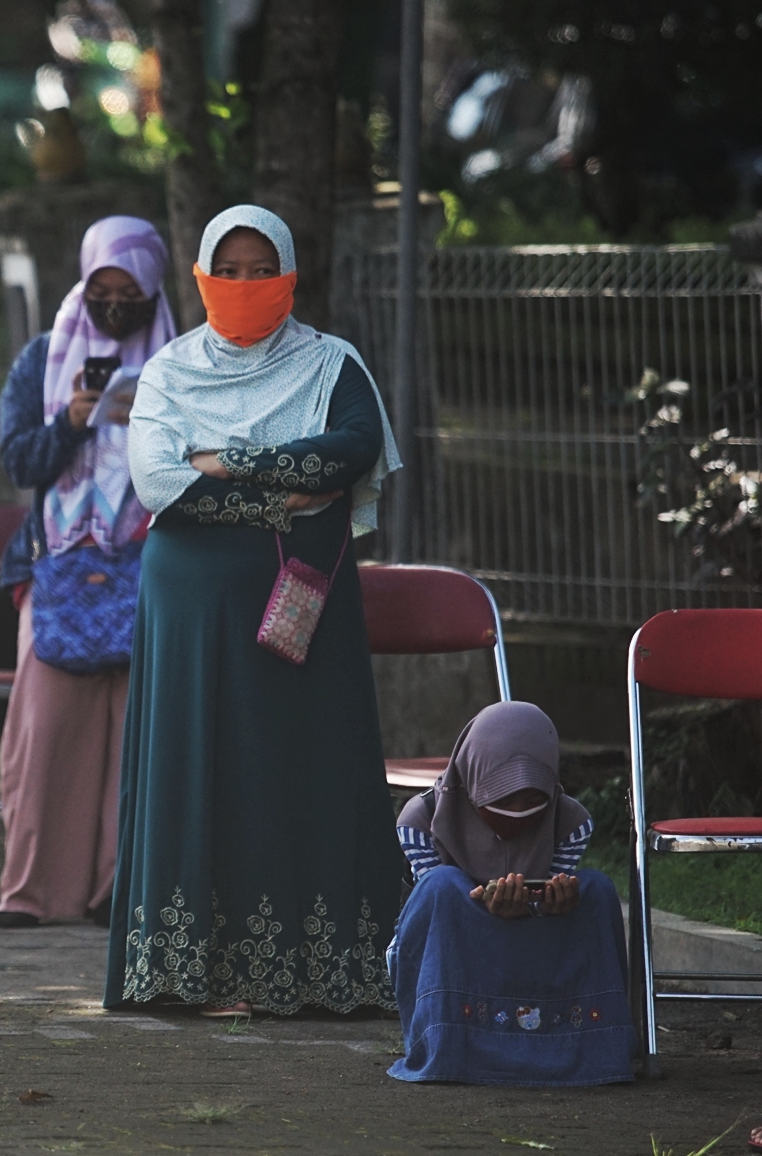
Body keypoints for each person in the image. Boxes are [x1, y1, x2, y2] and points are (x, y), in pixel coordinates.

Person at [104, 204, 406, 1017]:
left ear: (289, 274)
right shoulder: (168, 371)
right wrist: (285, 496)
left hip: (301, 597)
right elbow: (158, 482)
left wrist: (227, 461)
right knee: (200, 762)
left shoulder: (329, 362)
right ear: (201, 275)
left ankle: (319, 975)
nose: (242, 285)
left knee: (298, 763)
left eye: (258, 268)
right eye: (226, 270)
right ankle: (183, 975)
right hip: (191, 607)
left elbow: (352, 448)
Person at [0, 217, 175, 930]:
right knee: (45, 734)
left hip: (150, 566)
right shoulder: (43, 358)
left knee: (135, 737)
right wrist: (71, 420)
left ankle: (117, 891)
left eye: (129, 289)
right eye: (101, 286)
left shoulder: (180, 361)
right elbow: (19, 462)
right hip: (60, 569)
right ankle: (33, 892)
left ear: (153, 287)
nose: (114, 301)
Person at [388, 701, 634, 1086]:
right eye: (501, 800)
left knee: (597, 890)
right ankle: (447, 1039)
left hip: (537, 951)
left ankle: (591, 1044)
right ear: (471, 780)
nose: (518, 812)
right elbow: (433, 919)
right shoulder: (420, 822)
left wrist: (551, 905)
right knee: (440, 887)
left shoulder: (570, 823)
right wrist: (480, 906)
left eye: (532, 801)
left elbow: (554, 895)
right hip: (455, 953)